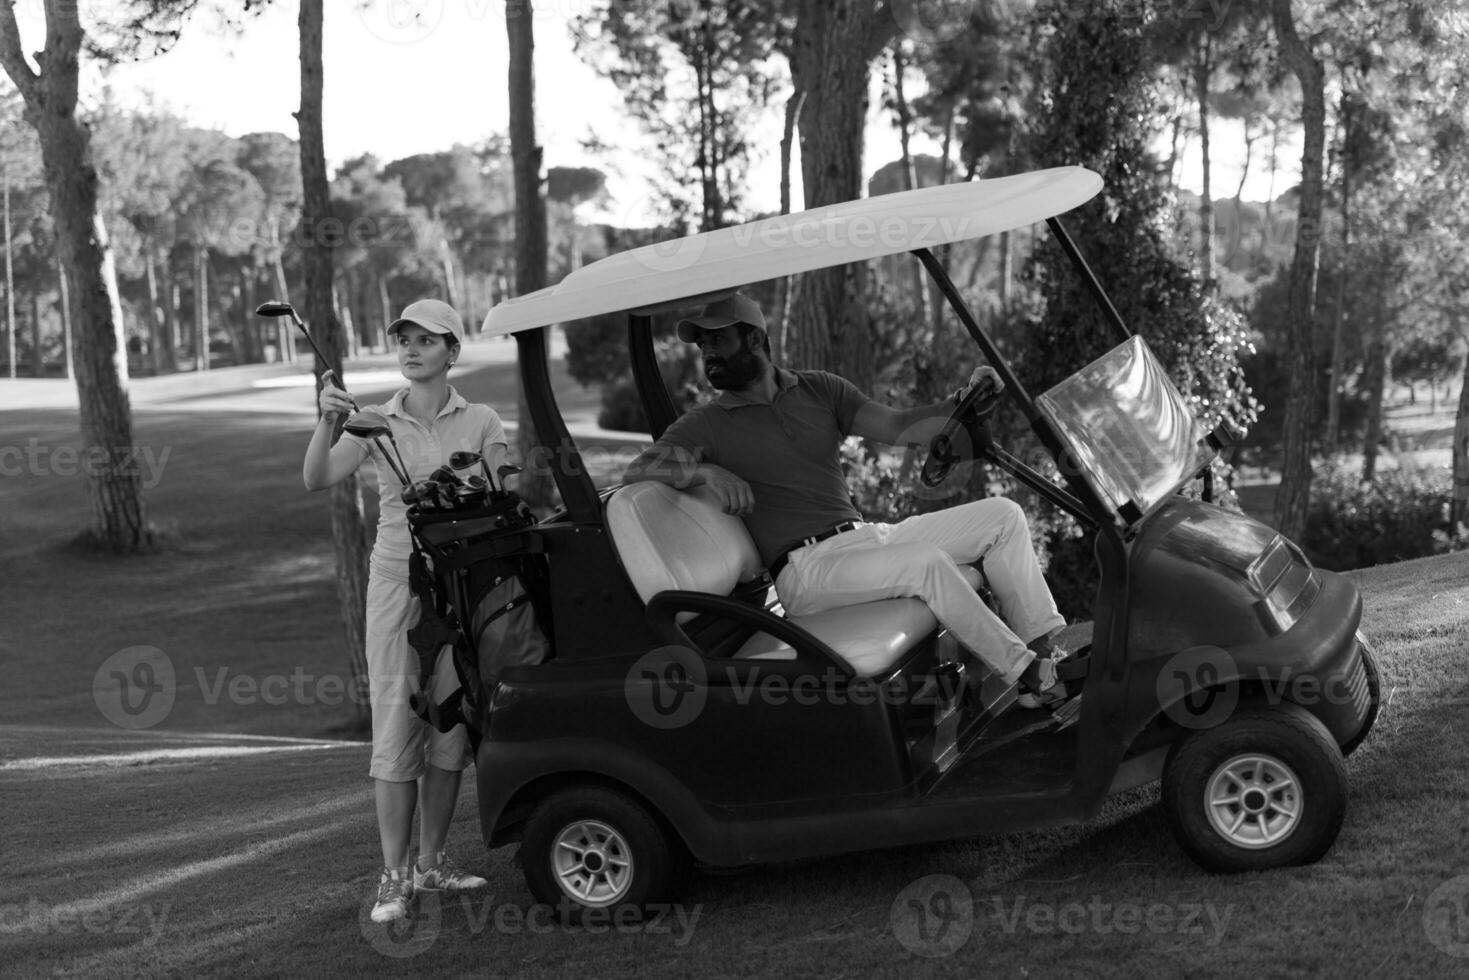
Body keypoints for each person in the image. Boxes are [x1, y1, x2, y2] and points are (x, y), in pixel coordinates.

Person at [621, 291, 1075, 709]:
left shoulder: (819, 389)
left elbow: (899, 427)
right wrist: (703, 469)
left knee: (1003, 516)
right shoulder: (707, 423)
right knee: (925, 563)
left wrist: (961, 401)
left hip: (864, 538)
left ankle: (1045, 650)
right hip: (806, 570)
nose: (709, 354)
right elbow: (638, 470)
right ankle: (1030, 674)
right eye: (702, 345)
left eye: (718, 339)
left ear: (755, 338)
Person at [303, 298, 507, 924]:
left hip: (458, 586)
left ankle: (433, 862)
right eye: (404, 339)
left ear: (452, 351)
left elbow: (499, 500)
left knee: (448, 725)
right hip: (396, 584)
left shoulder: (481, 420)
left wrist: (451, 496)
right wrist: (327, 423)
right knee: (397, 722)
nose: (412, 348)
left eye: (427, 339)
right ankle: (393, 877)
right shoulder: (371, 421)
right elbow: (317, 478)